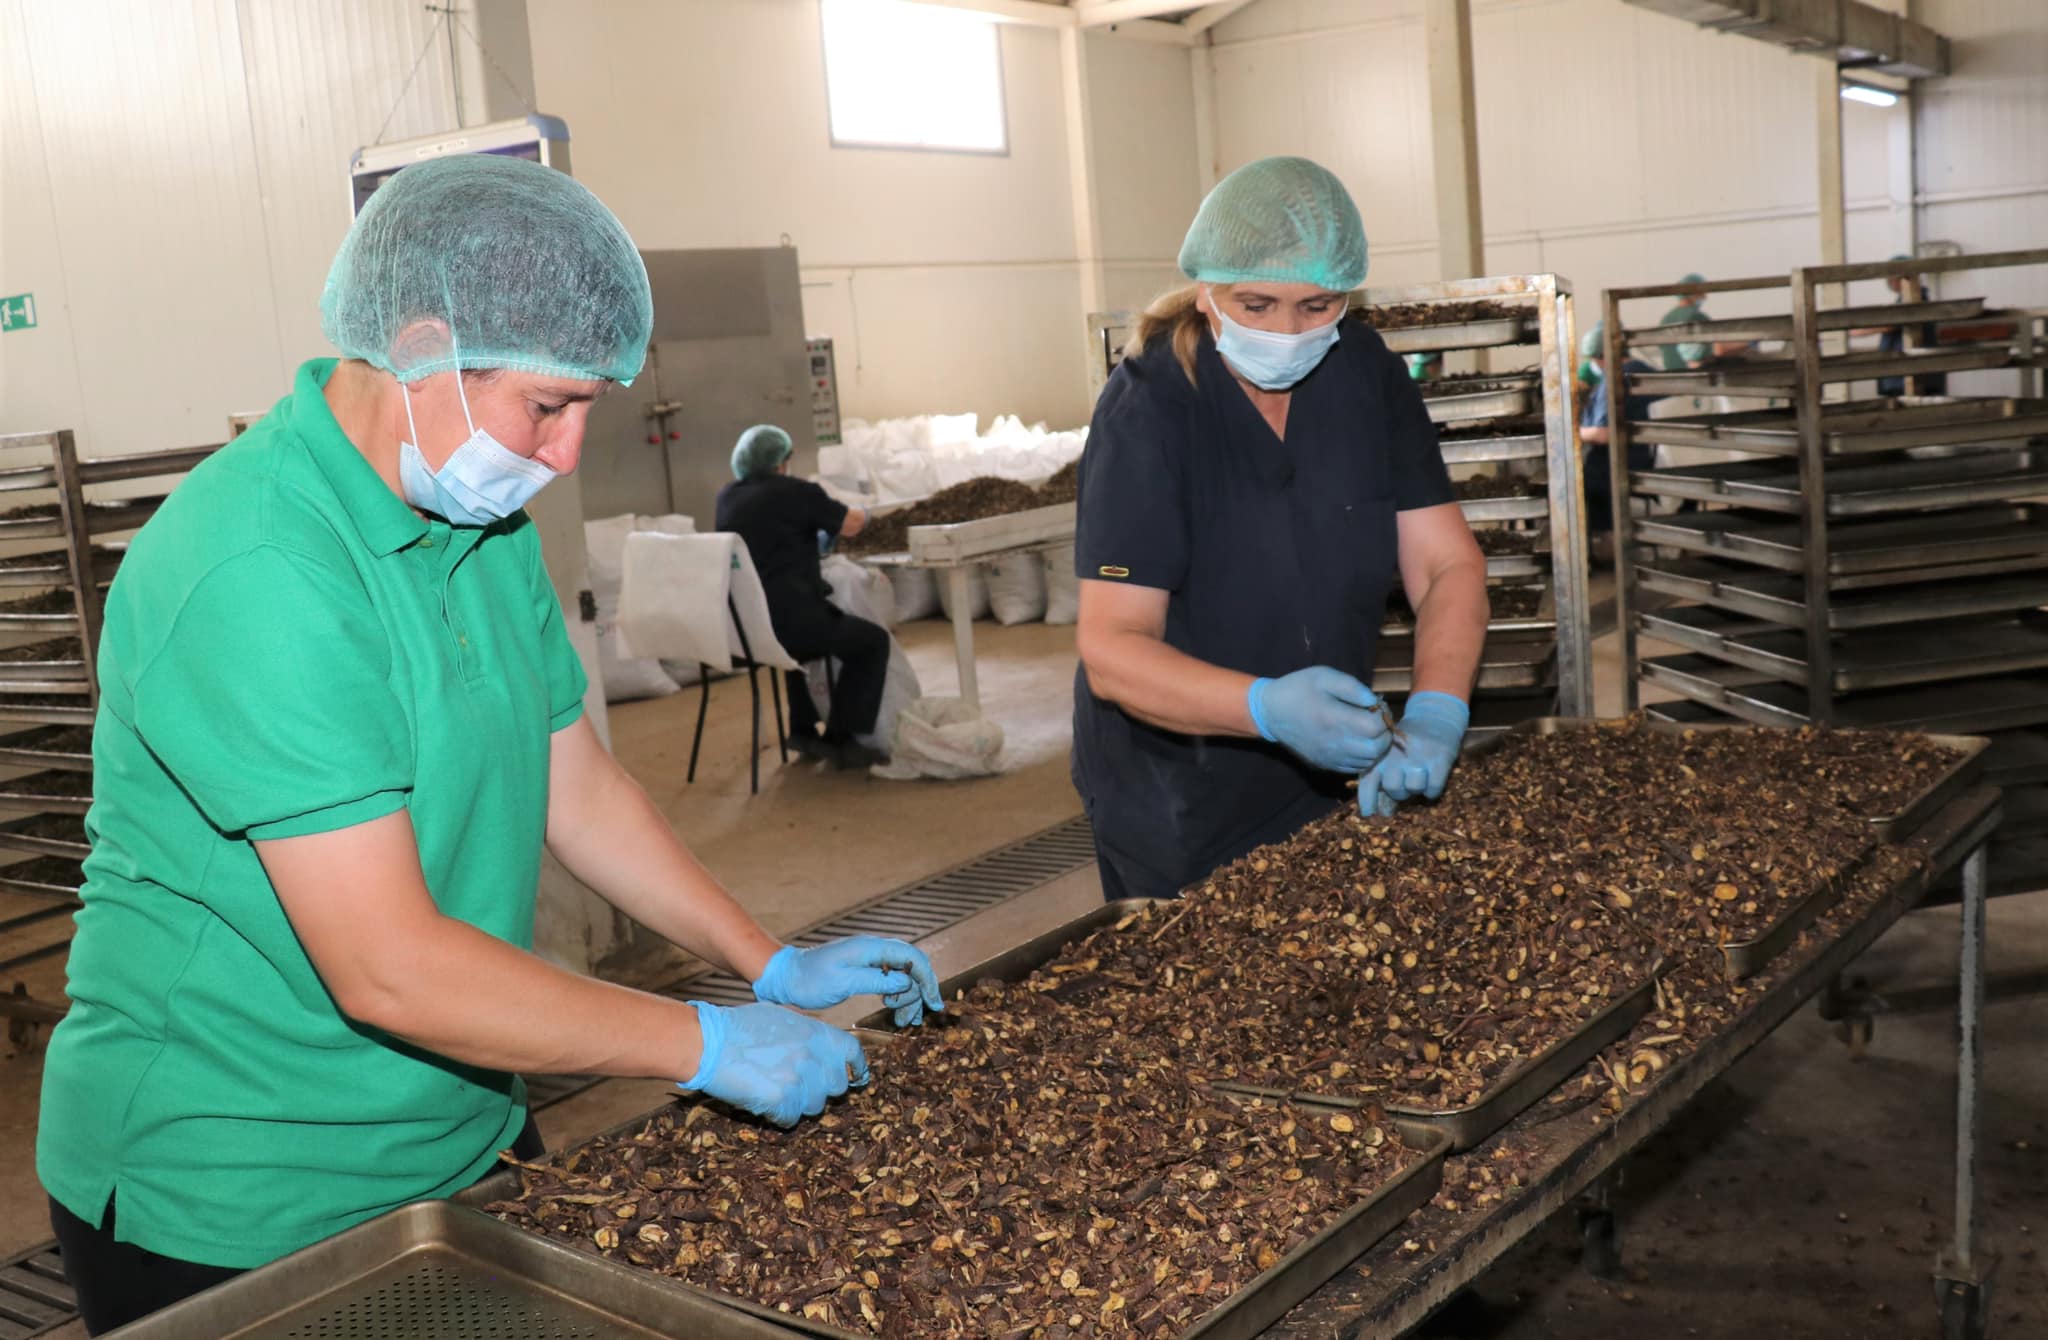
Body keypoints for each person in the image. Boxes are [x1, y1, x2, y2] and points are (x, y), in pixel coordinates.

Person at [36, 155, 942, 1336]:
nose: (565, 454)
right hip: (240, 1185)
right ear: (421, 346)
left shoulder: (481, 520)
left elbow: (578, 785)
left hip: (459, 1124)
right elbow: (389, 966)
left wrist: (761, 959)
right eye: (547, 406)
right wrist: (700, 1039)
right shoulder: (258, 566)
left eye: (587, 409)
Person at [1071, 156, 1488, 903]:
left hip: (1333, 774)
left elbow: (1445, 566)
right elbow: (1113, 647)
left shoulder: (1366, 375)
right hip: (1177, 792)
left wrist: (1436, 710)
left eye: (1317, 306)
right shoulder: (1150, 407)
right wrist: (1263, 709)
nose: (1287, 332)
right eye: (1256, 304)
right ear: (1208, 289)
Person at [715, 424, 892, 770]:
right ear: (782, 461)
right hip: (793, 624)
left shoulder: (727, 497)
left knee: (791, 644)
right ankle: (843, 737)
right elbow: (851, 525)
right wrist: (871, 513)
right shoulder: (799, 492)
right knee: (872, 642)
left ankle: (802, 730)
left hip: (747, 630)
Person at [1576, 321, 1656, 562]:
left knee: (1582, 482)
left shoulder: (1613, 380)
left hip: (1623, 462)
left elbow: (1603, 434)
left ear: (1604, 355)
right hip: (1652, 457)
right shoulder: (1646, 370)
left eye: (1594, 359)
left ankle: (1605, 545)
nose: (1594, 364)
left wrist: (1574, 432)